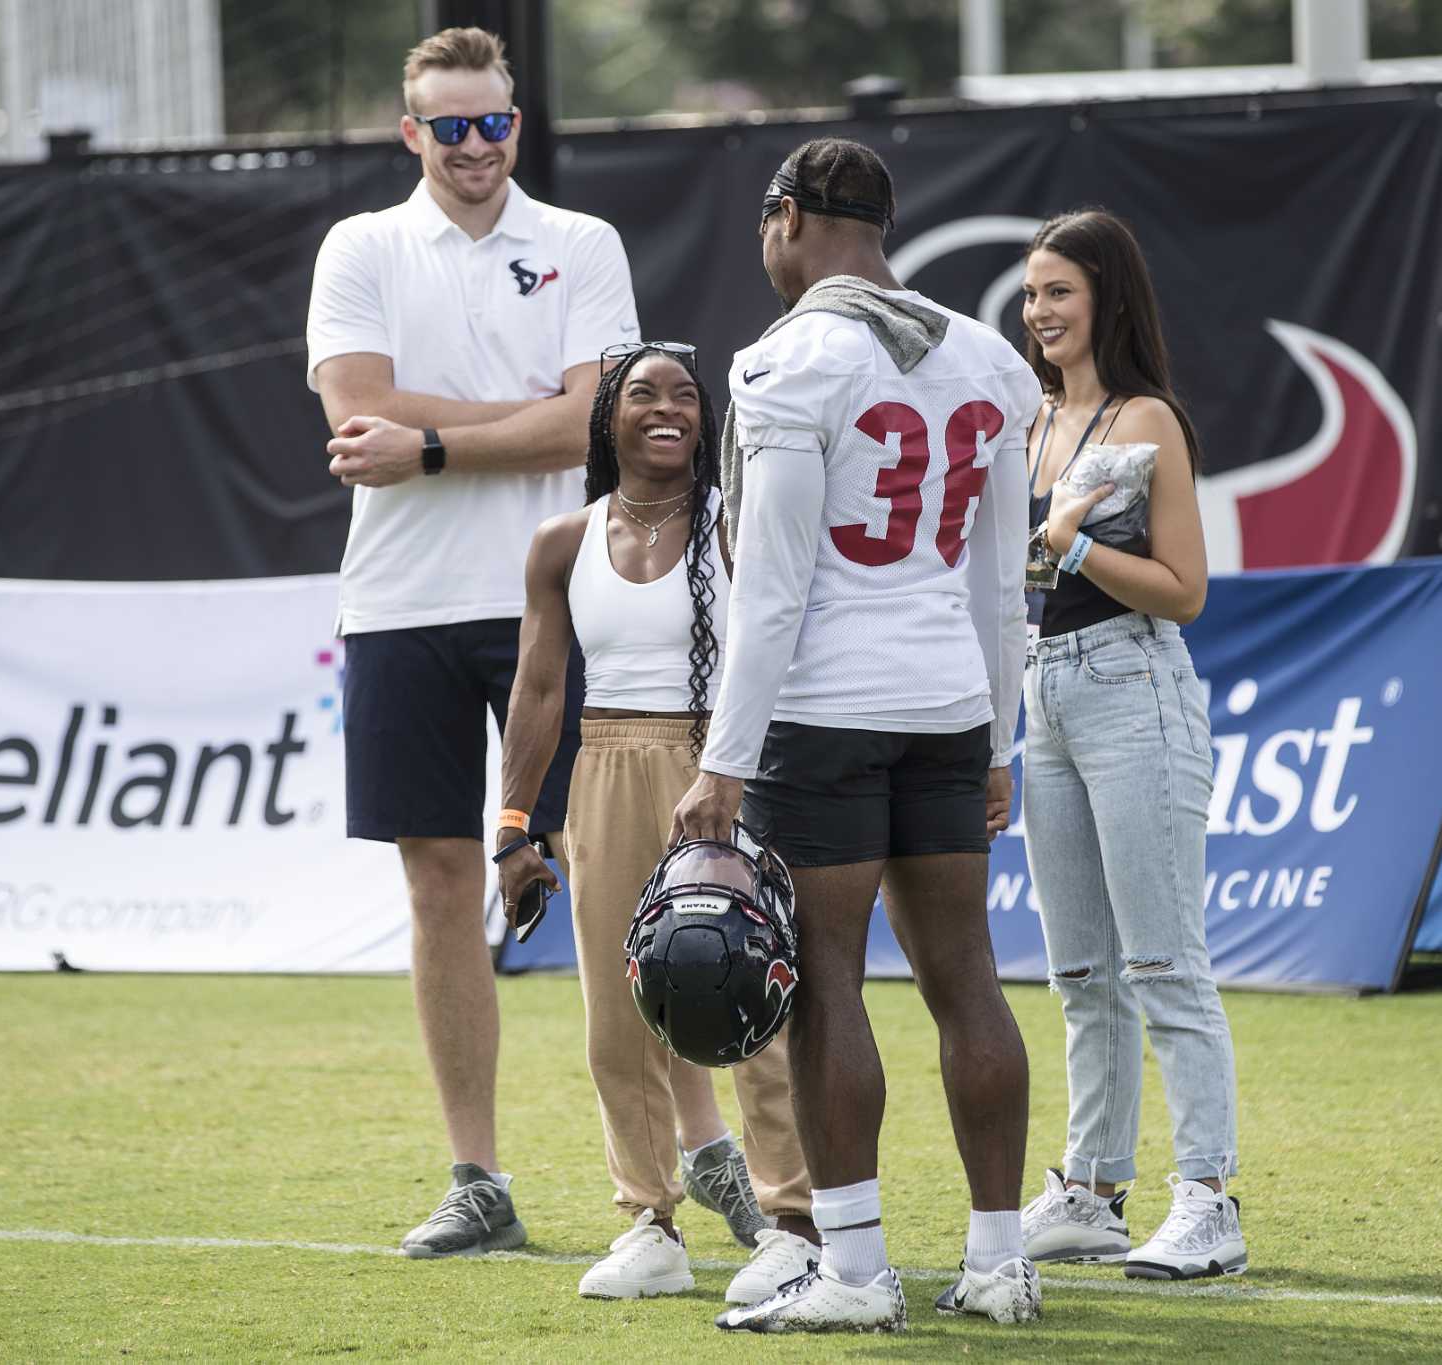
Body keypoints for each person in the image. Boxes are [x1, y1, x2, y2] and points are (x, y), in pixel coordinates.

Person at [671, 137, 1043, 1333]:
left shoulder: (789, 361)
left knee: (826, 985)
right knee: (965, 978)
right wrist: (996, 742)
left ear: (784, 218)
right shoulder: (987, 357)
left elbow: (772, 585)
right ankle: (998, 1262)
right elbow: (1000, 584)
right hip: (944, 703)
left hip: (822, 710)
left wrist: (723, 759)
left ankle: (854, 1268)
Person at [305, 25, 646, 1257]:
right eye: (447, 127)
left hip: (559, 596)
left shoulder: (579, 243)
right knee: (439, 884)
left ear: (517, 124)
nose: (472, 146)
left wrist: (436, 441)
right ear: (412, 134)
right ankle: (478, 1179)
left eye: (491, 123)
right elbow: (356, 412)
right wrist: (537, 414)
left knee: (611, 873)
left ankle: (669, 1170)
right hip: (395, 603)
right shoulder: (361, 245)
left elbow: (599, 428)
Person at [492, 344, 821, 1294]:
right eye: (644, 393)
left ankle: (790, 1219)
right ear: (609, 417)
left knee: (752, 995)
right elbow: (540, 690)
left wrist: (734, 767)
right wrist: (514, 825)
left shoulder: (734, 524)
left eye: (686, 395)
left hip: (721, 765)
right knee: (619, 1009)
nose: (668, 408)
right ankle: (649, 1223)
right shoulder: (563, 540)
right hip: (603, 767)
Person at [1011, 211, 1242, 1280]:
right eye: (1029, 293)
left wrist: (1070, 544)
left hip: (1130, 684)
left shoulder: (1144, 417)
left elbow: (1183, 592)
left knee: (1163, 964)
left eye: (1059, 290)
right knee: (1078, 971)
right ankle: (1090, 1190)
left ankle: (1207, 1200)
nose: (1040, 311)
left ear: (1106, 295)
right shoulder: (1032, 419)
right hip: (1041, 698)